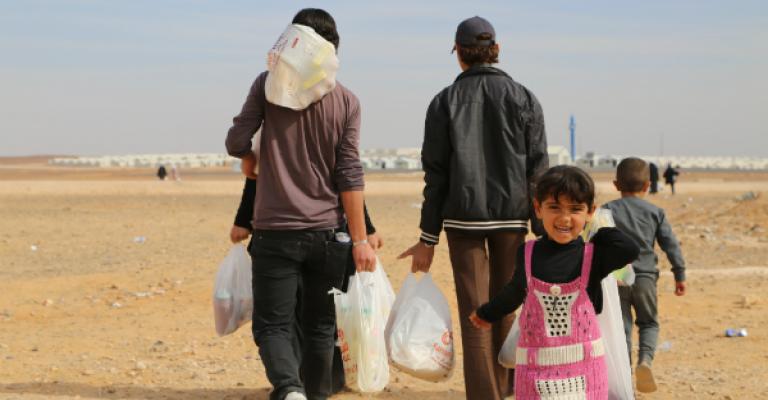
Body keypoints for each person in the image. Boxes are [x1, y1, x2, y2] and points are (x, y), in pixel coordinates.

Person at [225, 8, 376, 400]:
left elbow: (235, 141)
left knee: (273, 325)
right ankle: (314, 394)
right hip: (328, 235)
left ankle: (289, 389)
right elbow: (349, 174)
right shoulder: (347, 101)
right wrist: (361, 239)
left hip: (275, 232)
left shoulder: (266, 86)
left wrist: (248, 156)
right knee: (321, 327)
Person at [398, 16, 549, 400]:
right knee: (506, 305)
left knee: (476, 311)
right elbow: (538, 170)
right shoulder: (524, 97)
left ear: (459, 53)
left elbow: (435, 174)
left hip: (462, 220)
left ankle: (485, 394)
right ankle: (508, 388)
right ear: (495, 51)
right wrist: (543, 229)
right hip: (512, 218)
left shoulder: (444, 101)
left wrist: (428, 237)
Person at [469, 165, 640, 400]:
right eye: (554, 207)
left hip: (586, 369)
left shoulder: (594, 257)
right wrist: (487, 313)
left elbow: (629, 249)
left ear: (590, 211)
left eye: (576, 209)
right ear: (538, 208)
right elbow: (515, 292)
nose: (564, 218)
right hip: (534, 370)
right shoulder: (527, 253)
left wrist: (601, 230)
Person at [229, 177, 382, 395]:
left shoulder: (269, 151)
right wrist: (364, 233)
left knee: (292, 318)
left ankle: (296, 385)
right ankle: (317, 385)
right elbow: (347, 180)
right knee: (321, 319)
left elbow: (255, 173)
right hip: (328, 234)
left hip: (280, 234)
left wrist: (243, 220)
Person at [602, 157, 686, 393]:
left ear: (616, 185)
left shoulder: (606, 211)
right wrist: (679, 274)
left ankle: (624, 375)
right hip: (646, 278)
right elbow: (670, 245)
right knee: (648, 322)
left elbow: (593, 242)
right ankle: (645, 361)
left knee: (621, 328)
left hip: (616, 278)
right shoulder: (655, 212)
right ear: (648, 185)